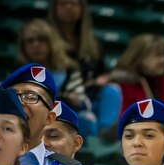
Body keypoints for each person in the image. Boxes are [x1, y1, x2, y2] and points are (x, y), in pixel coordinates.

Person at [47, 0, 121, 135]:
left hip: (87, 97)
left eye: (73, 4)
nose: (69, 7)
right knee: (87, 119)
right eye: (63, 3)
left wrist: (103, 79)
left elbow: (102, 73)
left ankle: (104, 135)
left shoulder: (93, 44)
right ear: (54, 8)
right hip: (59, 99)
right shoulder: (45, 42)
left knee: (112, 91)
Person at [16, 18, 98, 137]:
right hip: (30, 118)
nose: (36, 45)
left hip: (61, 117)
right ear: (23, 46)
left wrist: (76, 100)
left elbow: (84, 103)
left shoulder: (69, 70)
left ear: (51, 43)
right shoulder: (19, 73)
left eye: (41, 40)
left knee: (87, 118)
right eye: (30, 41)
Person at [110, 34, 164, 145]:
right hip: (135, 141)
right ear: (139, 58)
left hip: (163, 137)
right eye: (157, 56)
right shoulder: (123, 86)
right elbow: (123, 122)